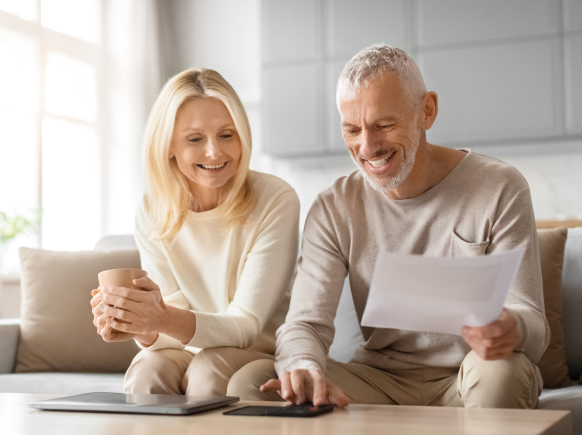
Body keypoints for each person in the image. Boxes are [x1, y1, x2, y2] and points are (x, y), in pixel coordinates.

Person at [227, 44, 549, 409]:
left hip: (469, 375)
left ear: (427, 111)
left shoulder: (499, 187)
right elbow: (306, 324)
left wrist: (512, 328)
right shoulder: (335, 207)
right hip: (380, 379)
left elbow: (533, 325)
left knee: (502, 372)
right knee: (250, 383)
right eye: (352, 130)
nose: (368, 146)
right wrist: (303, 365)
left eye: (384, 125)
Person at [90, 68, 300, 396]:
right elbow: (169, 328)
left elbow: (246, 326)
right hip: (190, 349)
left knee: (208, 369)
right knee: (148, 367)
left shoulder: (276, 199)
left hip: (261, 352)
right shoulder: (152, 210)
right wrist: (139, 326)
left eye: (227, 135)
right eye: (195, 139)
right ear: (168, 146)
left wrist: (158, 317)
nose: (215, 152)